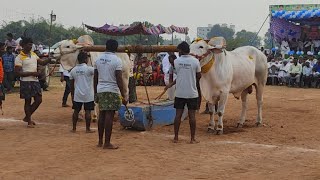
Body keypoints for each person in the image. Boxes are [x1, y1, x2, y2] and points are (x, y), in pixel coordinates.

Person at [165, 41, 201, 144]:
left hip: (180, 92)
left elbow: (178, 75)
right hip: (192, 92)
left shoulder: (176, 62)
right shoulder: (195, 61)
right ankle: (192, 139)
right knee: (192, 116)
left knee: (178, 115)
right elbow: (199, 76)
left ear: (180, 50)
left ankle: (176, 137)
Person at [94, 39, 127, 149]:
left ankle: (100, 141)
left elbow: (95, 77)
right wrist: (123, 94)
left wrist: (95, 92)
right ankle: (107, 143)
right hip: (111, 89)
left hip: (100, 89)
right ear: (116, 48)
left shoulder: (98, 59)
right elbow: (119, 78)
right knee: (109, 115)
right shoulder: (117, 60)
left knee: (102, 115)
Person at [14, 37, 52, 128]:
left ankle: (27, 117)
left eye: (31, 44)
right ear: (23, 45)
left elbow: (42, 62)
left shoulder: (33, 54)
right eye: (29, 44)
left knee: (39, 100)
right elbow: (18, 73)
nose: (31, 46)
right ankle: (29, 120)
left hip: (35, 81)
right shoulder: (19, 57)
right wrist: (32, 73)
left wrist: (49, 59)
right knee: (28, 101)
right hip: (26, 82)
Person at [69, 51, 95, 133]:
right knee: (88, 111)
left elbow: (71, 85)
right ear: (85, 59)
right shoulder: (89, 69)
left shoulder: (73, 70)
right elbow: (97, 72)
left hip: (77, 94)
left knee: (76, 111)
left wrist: (72, 95)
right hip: (88, 94)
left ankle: (74, 128)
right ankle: (87, 129)